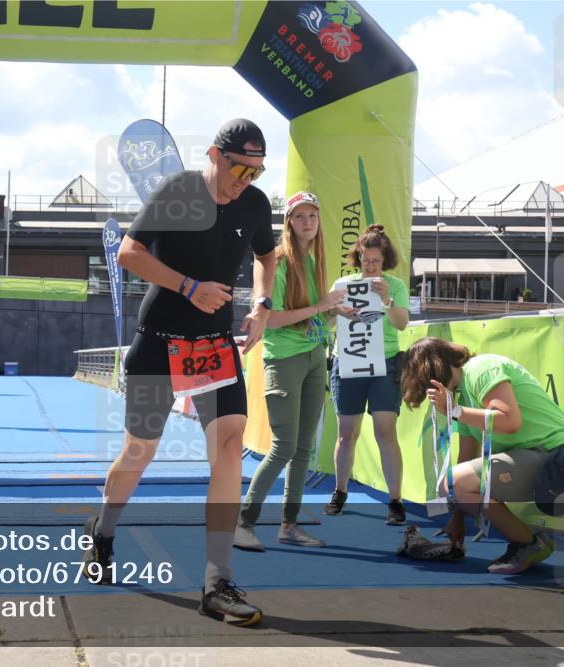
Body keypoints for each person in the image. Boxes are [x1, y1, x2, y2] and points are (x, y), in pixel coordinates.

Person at [82, 119, 277, 626]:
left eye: (256, 171)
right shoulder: (179, 192)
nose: (245, 180)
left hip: (214, 345)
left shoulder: (255, 204)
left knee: (230, 447)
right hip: (160, 343)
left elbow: (266, 254)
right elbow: (128, 253)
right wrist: (189, 287)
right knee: (139, 453)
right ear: (213, 155)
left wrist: (262, 303)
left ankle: (217, 581)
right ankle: (103, 529)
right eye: (239, 168)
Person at [400, 338, 564, 574]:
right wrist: (458, 518)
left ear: (432, 369)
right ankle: (526, 542)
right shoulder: (463, 398)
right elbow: (465, 462)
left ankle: (528, 544)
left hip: (558, 456)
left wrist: (454, 411)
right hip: (540, 456)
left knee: (452, 482)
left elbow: (510, 421)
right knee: (452, 482)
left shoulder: (480, 368)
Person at [234, 192, 347, 551]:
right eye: (300, 216)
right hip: (284, 360)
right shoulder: (279, 261)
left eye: (313, 215)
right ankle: (243, 522)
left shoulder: (313, 262)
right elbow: (271, 320)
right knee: (284, 447)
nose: (308, 222)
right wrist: (321, 306)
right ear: (289, 222)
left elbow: (315, 315)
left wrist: (335, 311)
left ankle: (289, 525)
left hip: (315, 356)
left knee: (303, 449)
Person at [325, 225, 410, 524]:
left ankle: (395, 500)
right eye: (365, 259)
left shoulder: (395, 285)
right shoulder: (342, 284)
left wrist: (387, 301)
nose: (370, 265)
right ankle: (340, 491)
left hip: (384, 363)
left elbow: (401, 324)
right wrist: (335, 310)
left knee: (385, 430)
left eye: (376, 260)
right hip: (349, 363)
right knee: (347, 433)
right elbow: (326, 320)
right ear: (357, 256)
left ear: (385, 260)